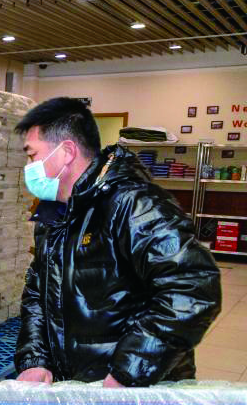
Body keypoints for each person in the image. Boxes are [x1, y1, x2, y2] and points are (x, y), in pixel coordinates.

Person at [14, 97, 221, 386]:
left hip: (136, 390)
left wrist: (129, 371)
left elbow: (194, 286)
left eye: (33, 155)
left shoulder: (134, 205)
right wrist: (35, 360)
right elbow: (37, 293)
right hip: (77, 386)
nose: (29, 167)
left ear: (67, 152)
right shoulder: (54, 214)